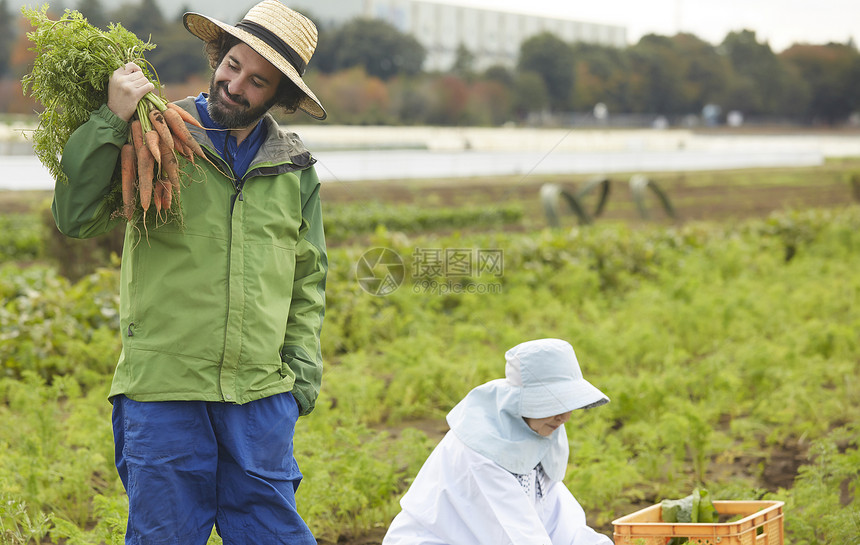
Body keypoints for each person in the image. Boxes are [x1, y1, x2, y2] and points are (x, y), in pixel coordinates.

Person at [51, 2, 327, 543]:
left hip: (259, 399)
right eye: (232, 65)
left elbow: (307, 280)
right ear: (218, 57)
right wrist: (111, 118)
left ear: (280, 96)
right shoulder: (150, 132)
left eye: (257, 80)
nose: (235, 84)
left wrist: (296, 381)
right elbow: (74, 217)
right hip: (163, 395)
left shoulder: (294, 170)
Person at [382, 338, 614, 545]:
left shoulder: (543, 427)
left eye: (568, 405)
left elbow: (556, 515)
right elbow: (515, 532)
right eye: (554, 404)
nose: (564, 417)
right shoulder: (485, 447)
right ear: (522, 401)